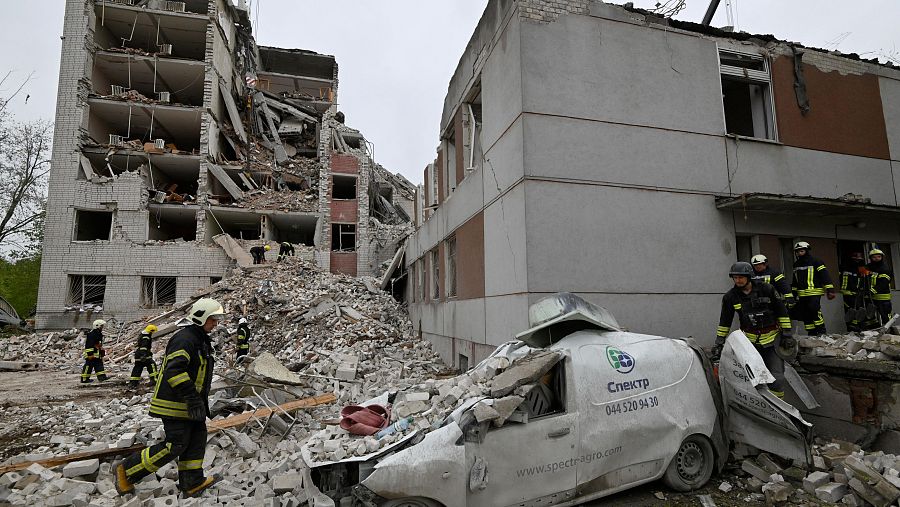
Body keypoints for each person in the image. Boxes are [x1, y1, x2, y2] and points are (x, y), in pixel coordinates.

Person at [114, 298, 225, 498]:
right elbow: (174, 371)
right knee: (176, 445)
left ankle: (192, 482)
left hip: (192, 405)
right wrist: (192, 398)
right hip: (175, 404)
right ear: (201, 318)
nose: (215, 323)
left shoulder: (199, 339)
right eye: (213, 319)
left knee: (196, 441)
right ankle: (127, 469)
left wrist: (197, 402)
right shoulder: (185, 339)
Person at [712, 262, 793, 398]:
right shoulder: (730, 297)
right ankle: (761, 408)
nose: (737, 280)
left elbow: (782, 312)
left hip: (772, 341)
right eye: (735, 278)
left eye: (741, 277)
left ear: (749, 276)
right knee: (752, 380)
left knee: (777, 379)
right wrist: (719, 342)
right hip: (749, 344)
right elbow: (725, 322)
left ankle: (779, 410)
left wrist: (787, 334)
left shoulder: (767, 289)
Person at [791, 241, 835, 336]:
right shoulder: (796, 264)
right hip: (802, 294)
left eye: (801, 251)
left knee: (814, 310)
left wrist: (830, 290)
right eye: (797, 252)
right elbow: (795, 280)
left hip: (814, 292)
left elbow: (825, 276)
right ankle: (812, 332)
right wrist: (793, 294)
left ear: (807, 251)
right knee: (805, 314)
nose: (799, 253)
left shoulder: (816, 261)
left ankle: (821, 331)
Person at [839, 251, 867, 332]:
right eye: (855, 260)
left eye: (859, 260)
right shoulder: (843, 267)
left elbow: (865, 280)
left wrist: (863, 290)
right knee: (849, 310)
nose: (857, 261)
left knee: (857, 309)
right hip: (844, 293)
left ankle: (856, 327)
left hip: (856, 293)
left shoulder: (862, 268)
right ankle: (851, 327)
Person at [866, 248, 894, 325]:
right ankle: (873, 331)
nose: (876, 259)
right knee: (870, 316)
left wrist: (872, 291)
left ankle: (889, 330)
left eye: (879, 257)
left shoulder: (885, 269)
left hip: (883, 297)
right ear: (870, 258)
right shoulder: (868, 267)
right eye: (874, 257)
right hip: (871, 297)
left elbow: (883, 284)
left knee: (885, 316)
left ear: (882, 257)